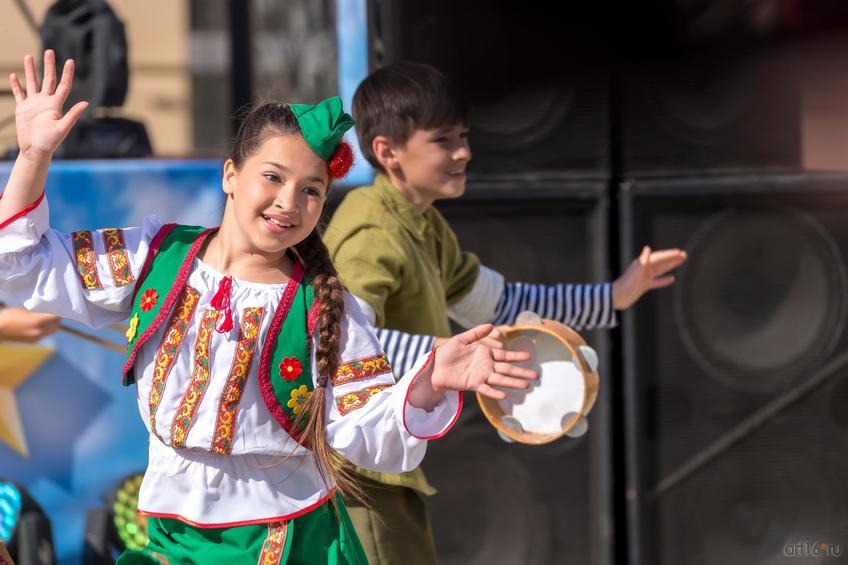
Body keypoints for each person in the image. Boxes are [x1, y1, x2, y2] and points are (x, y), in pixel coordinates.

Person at [0, 51, 537, 564]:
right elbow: (24, 267)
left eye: (312, 190)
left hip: (283, 538)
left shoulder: (325, 305)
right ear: (231, 174)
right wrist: (33, 156)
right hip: (170, 530)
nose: (288, 202)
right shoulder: (156, 257)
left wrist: (429, 381)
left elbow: (368, 433)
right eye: (273, 177)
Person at [323, 61, 688, 564]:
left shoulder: (422, 226)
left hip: (385, 469)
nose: (464, 152)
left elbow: (502, 305)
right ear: (388, 152)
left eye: (465, 136)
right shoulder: (370, 231)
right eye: (444, 140)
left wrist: (616, 295)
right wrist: (448, 357)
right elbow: (345, 345)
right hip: (357, 473)